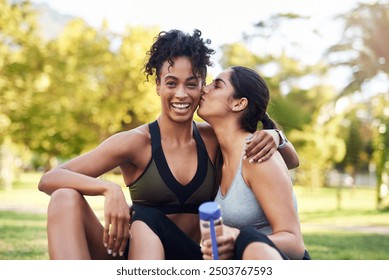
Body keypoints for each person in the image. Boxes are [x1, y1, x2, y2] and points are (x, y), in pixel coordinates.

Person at [38, 29, 298, 260]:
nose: (181, 94)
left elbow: (287, 161)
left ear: (202, 89)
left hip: (186, 257)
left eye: (192, 84)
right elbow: (50, 178)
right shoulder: (135, 142)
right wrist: (108, 189)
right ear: (158, 86)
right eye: (171, 83)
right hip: (125, 253)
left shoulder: (215, 139)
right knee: (64, 197)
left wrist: (276, 136)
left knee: (148, 219)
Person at [197, 66, 310, 260]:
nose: (204, 89)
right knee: (150, 220)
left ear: (239, 104)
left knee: (249, 235)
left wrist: (237, 237)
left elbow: (294, 244)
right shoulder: (215, 150)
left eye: (216, 85)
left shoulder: (257, 156)